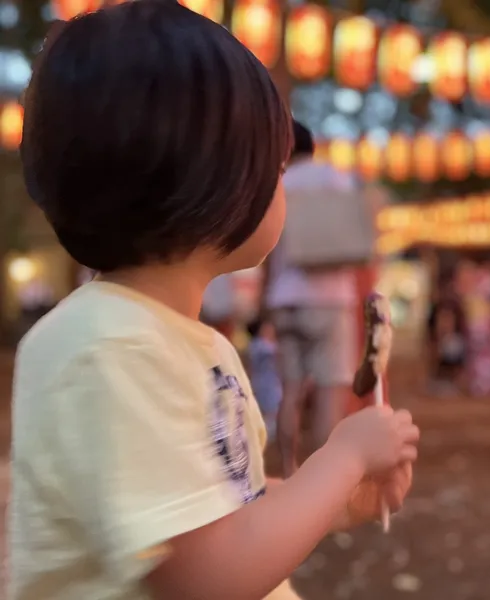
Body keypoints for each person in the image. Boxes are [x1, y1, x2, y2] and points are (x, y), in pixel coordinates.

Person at [9, 4, 420, 599]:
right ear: (216, 177)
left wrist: (335, 501)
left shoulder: (172, 338)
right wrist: (343, 460)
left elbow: (222, 506)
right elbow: (207, 574)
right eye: (275, 165)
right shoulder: (110, 347)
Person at [264, 121, 361, 477]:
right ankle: (318, 479)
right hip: (329, 299)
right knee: (328, 390)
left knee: (290, 391)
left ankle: (289, 470)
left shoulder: (276, 184)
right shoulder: (335, 179)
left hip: (284, 298)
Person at [247, 315, 283, 439]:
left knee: (268, 410)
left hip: (266, 382)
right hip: (267, 383)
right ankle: (268, 435)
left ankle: (267, 433)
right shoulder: (260, 345)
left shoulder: (255, 345)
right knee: (271, 409)